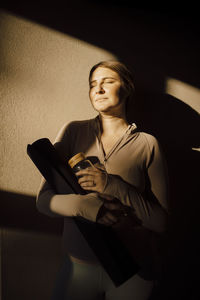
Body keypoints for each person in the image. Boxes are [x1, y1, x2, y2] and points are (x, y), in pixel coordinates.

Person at [36, 60, 169, 300]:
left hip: (134, 274)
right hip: (78, 269)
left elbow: (161, 222)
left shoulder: (148, 144)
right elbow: (43, 201)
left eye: (108, 82)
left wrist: (113, 185)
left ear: (127, 88)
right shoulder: (73, 131)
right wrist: (82, 207)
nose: (98, 90)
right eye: (93, 84)